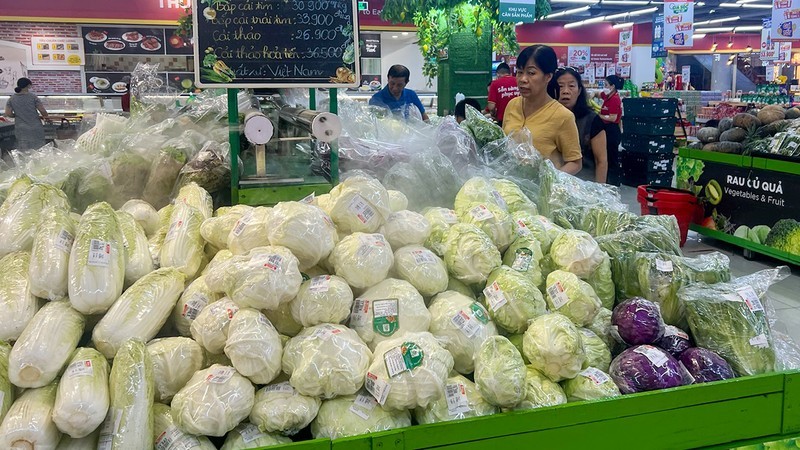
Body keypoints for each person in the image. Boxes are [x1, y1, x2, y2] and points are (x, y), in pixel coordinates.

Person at [503, 45, 582, 174]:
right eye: (519, 72)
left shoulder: (562, 116)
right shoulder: (512, 105)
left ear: (548, 77)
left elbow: (575, 162)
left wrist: (551, 181)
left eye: (531, 73)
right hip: (510, 186)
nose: (523, 79)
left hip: (541, 191)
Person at [548, 67, 608, 184]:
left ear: (579, 90)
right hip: (553, 185)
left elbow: (601, 160)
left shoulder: (591, 120)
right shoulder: (546, 117)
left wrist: (600, 191)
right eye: (560, 86)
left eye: (571, 86)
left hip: (584, 185)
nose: (565, 91)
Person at [4, 78, 48, 150]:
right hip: (35, 127)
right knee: (39, 149)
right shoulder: (33, 97)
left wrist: (17, 115)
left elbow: (8, 113)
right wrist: (45, 116)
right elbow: (42, 110)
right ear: (29, 85)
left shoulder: (12, 98)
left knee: (24, 151)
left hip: (21, 128)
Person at [598, 75, 624, 186]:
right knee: (607, 155)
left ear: (612, 86)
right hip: (607, 130)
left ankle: (614, 183)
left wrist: (599, 116)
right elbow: (598, 94)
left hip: (612, 131)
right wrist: (592, 94)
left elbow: (613, 118)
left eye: (606, 85)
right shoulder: (608, 96)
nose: (605, 87)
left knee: (612, 157)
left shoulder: (614, 99)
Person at [486, 62, 519, 127]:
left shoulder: (495, 84)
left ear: (498, 74)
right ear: (510, 73)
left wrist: (493, 113)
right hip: (519, 118)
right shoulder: (518, 81)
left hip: (503, 120)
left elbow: (491, 106)